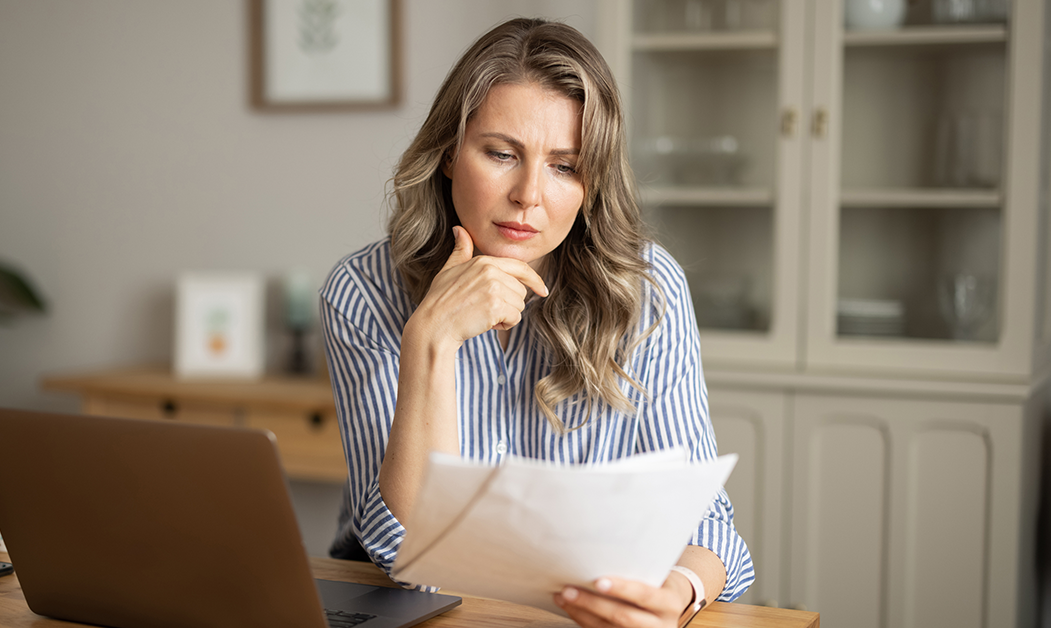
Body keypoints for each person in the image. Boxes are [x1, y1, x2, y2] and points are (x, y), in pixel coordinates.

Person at [320, 17, 754, 628]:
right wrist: (431, 339)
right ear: (449, 152)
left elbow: (708, 523)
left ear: (591, 181)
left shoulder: (646, 290)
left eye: (565, 166)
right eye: (501, 154)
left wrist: (677, 590)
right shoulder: (364, 291)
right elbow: (408, 558)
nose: (529, 194)